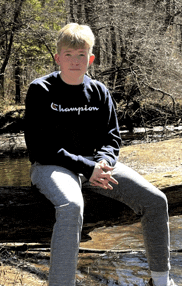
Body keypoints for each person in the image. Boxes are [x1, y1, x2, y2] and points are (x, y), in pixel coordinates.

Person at [24, 23, 177, 286]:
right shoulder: (41, 90)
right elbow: (40, 147)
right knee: (72, 207)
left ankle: (160, 280)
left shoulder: (99, 92)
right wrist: (88, 167)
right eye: (69, 55)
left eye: (81, 54)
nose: (75, 61)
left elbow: (112, 137)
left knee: (156, 200)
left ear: (90, 58)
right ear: (58, 57)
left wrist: (104, 163)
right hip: (52, 166)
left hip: (95, 166)